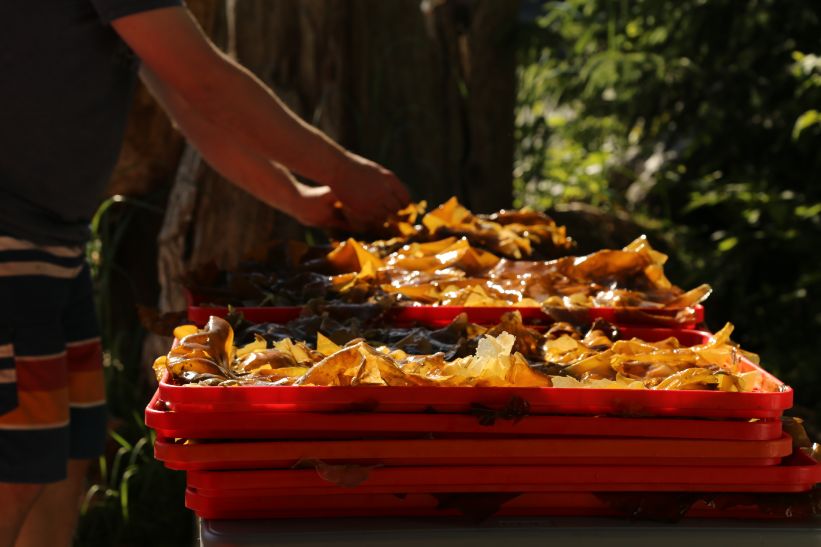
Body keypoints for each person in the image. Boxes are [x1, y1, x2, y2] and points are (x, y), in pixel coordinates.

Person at [0, 2, 410, 545]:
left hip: (52, 245)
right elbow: (206, 81)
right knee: (15, 471)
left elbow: (189, 106)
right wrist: (342, 170)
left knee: (66, 457)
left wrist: (297, 198)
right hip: (12, 241)